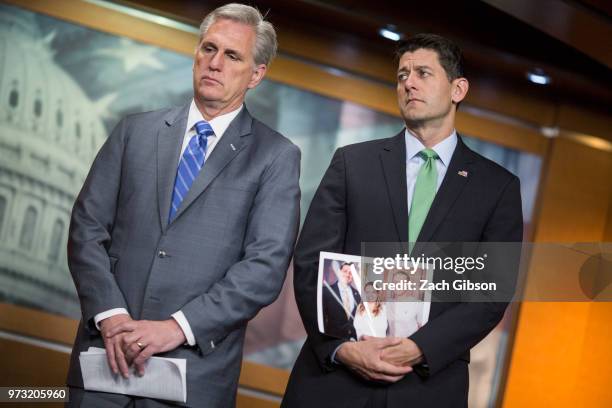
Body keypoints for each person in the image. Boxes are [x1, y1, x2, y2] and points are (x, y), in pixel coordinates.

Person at [65, 3, 301, 407]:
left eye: (232, 56)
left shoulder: (276, 157)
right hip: (105, 363)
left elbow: (264, 268)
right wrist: (112, 316)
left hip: (192, 378)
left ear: (256, 74)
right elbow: (86, 229)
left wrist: (176, 327)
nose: (214, 63)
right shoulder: (133, 132)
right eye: (208, 48)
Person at [283, 33, 522, 408]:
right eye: (401, 75)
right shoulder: (352, 164)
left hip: (428, 387)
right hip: (333, 382)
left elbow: (490, 295)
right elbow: (311, 264)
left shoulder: (497, 188)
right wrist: (342, 347)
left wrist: (418, 348)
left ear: (458, 88)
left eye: (423, 73)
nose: (408, 82)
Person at [322, 262, 361, 339]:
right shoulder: (326, 291)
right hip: (332, 340)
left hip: (353, 340)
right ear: (339, 272)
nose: (348, 274)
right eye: (345, 271)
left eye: (350, 273)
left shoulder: (358, 295)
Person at [386, 270, 423, 338]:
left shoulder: (417, 303)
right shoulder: (387, 303)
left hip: (408, 345)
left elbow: (422, 328)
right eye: (394, 282)